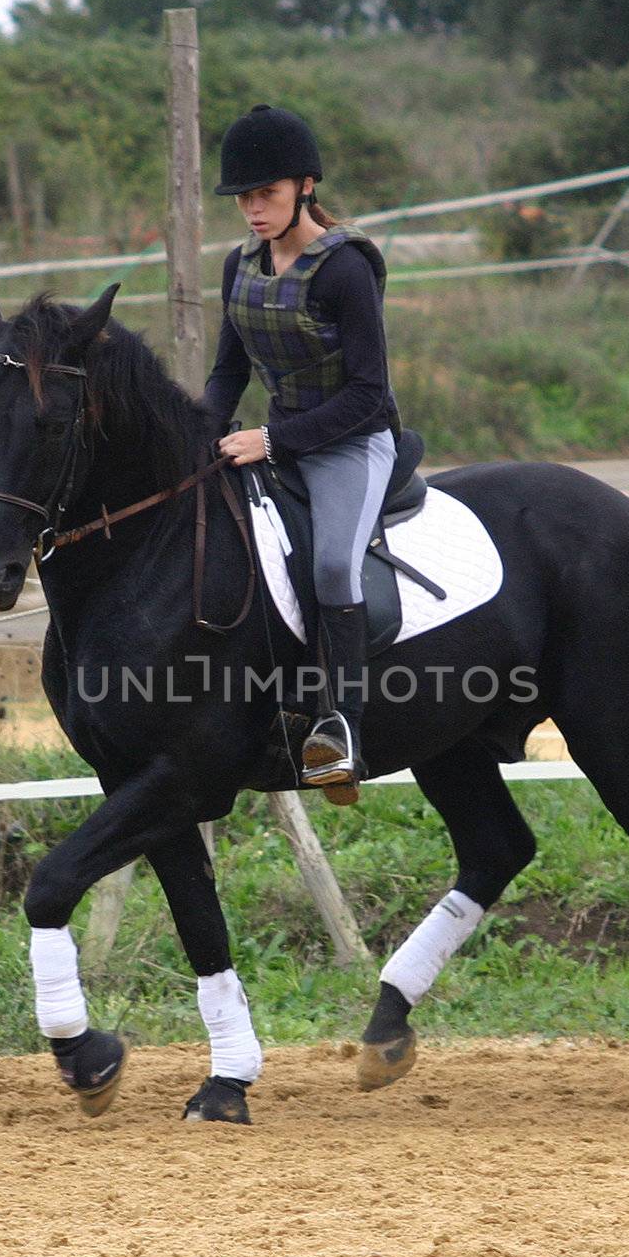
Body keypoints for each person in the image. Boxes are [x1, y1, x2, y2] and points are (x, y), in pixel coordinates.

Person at [207, 103, 402, 803]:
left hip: (352, 442)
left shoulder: (345, 269)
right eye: (244, 198)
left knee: (327, 564)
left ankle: (341, 727)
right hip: (279, 443)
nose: (253, 210)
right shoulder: (240, 265)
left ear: (305, 188)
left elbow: (368, 395)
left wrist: (271, 439)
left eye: (266, 195)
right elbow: (229, 373)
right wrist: (198, 436)